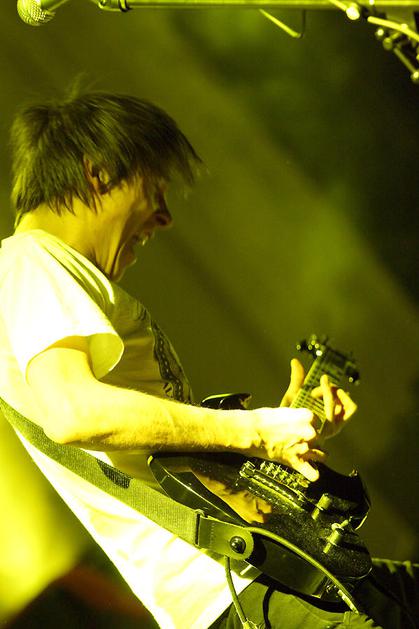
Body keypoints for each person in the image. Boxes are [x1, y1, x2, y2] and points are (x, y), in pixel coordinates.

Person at [0, 91, 416, 629]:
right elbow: (73, 412)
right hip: (233, 589)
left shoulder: (49, 275)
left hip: (269, 570)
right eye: (156, 187)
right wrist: (253, 431)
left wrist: (281, 432)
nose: (166, 217)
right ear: (97, 173)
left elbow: (165, 458)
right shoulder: (28, 260)